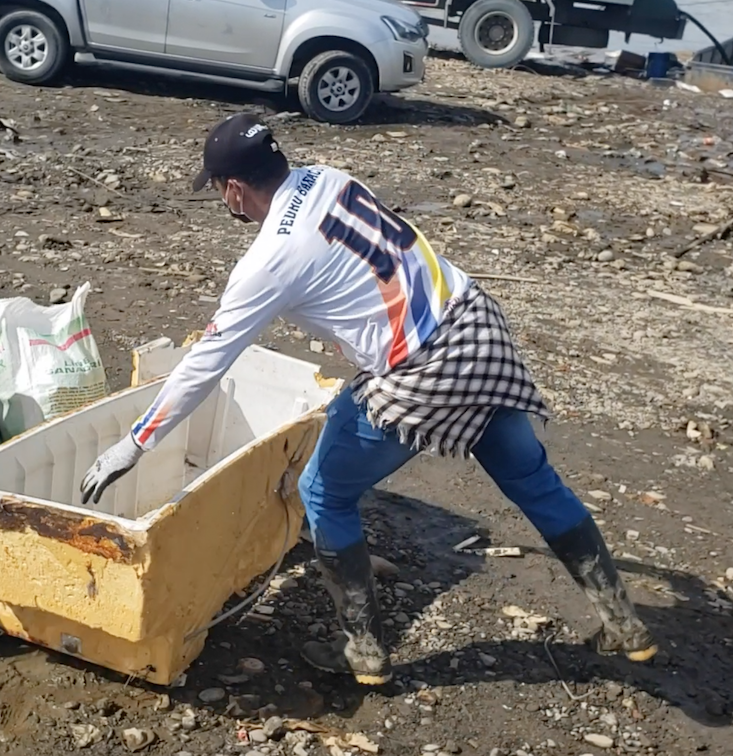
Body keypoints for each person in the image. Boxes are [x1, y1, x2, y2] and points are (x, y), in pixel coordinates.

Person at [80, 113, 657, 686]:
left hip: (426, 369)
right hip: (475, 324)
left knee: (322, 491)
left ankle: (363, 650)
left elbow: (208, 360)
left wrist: (136, 443)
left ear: (233, 190)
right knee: (532, 479)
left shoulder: (269, 261)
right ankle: (625, 624)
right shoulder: (330, 177)